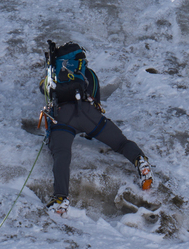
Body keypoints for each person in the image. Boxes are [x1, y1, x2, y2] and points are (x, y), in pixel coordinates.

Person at [38, 40, 153, 217]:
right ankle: (140, 161)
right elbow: (96, 98)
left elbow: (45, 92)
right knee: (121, 143)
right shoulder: (88, 74)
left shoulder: (52, 76)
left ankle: (60, 199)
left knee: (62, 154)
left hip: (62, 118)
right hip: (88, 115)